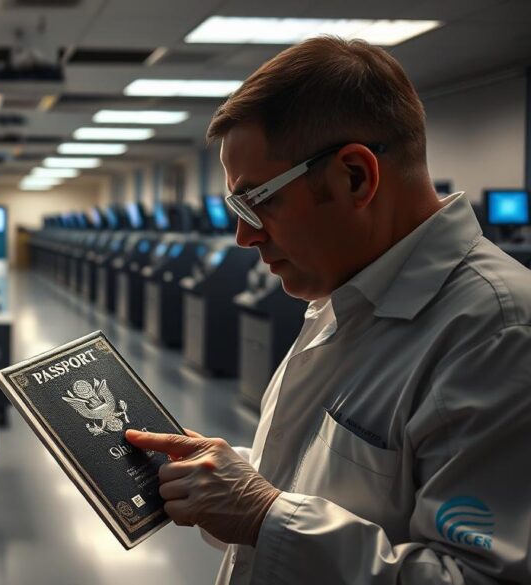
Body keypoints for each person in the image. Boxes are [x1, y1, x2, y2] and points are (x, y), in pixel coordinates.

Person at [126, 36, 531, 584]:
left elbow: (478, 577)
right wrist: (233, 478)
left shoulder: (499, 331)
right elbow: (340, 490)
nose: (244, 236)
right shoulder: (344, 295)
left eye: (258, 201)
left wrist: (264, 515)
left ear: (355, 176)